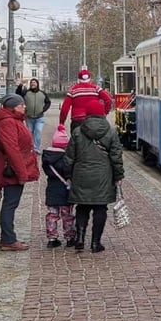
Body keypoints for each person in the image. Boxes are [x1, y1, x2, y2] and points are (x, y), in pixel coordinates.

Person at [65, 113, 125, 253]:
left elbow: (69, 156)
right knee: (100, 208)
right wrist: (118, 175)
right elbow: (116, 156)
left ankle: (80, 238)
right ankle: (95, 243)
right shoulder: (110, 131)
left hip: (81, 174)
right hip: (103, 175)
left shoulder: (78, 131)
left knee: (82, 207)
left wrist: (68, 174)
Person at [0, 94, 40, 251]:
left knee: (11, 203)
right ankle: (7, 239)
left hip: (13, 169)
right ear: (13, 107)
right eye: (21, 105)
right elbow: (12, 150)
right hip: (10, 171)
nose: (24, 107)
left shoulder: (15, 120)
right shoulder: (8, 123)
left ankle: (8, 237)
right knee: (10, 204)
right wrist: (22, 174)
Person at [41, 125, 76, 248]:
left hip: (51, 191)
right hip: (64, 192)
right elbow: (69, 173)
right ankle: (70, 237)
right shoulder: (66, 158)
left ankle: (52, 238)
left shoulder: (47, 158)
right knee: (67, 216)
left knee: (52, 215)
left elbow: (47, 171)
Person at [59, 68, 113, 133]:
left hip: (77, 120)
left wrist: (61, 123)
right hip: (94, 120)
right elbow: (108, 100)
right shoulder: (96, 89)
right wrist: (105, 113)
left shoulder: (73, 90)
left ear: (78, 79)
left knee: (76, 140)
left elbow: (65, 108)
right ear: (90, 79)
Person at [19, 78, 52, 151]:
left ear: (37, 84)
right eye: (31, 82)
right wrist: (21, 84)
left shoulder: (42, 93)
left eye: (34, 82)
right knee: (29, 133)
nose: (32, 84)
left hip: (39, 117)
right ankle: (30, 147)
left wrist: (43, 109)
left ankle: (36, 148)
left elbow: (48, 102)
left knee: (38, 131)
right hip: (29, 117)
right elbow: (18, 94)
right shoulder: (26, 92)